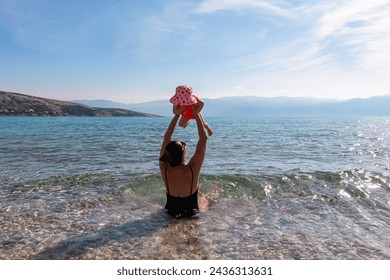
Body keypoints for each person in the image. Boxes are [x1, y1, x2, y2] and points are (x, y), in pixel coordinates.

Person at [159, 105, 208, 218]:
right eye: (184, 147)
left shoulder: (164, 166)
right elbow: (203, 139)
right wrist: (197, 115)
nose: (186, 147)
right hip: (191, 213)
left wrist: (176, 115)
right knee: (205, 198)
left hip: (170, 212)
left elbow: (167, 137)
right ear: (183, 154)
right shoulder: (192, 168)